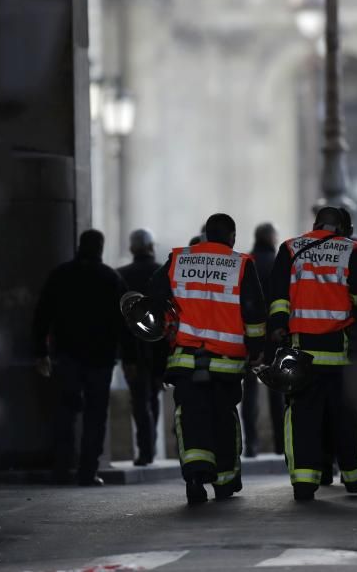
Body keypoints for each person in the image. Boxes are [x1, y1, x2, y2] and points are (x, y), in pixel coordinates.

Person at [147, 213, 267, 505]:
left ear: (205, 236)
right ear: (232, 236)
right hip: (225, 363)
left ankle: (195, 476)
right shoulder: (241, 264)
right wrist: (255, 349)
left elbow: (154, 297)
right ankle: (225, 483)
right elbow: (253, 311)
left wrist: (168, 332)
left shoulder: (179, 260)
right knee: (223, 419)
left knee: (190, 419)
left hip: (186, 361)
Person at [268, 206, 357, 502]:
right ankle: (354, 476)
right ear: (340, 228)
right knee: (347, 416)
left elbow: (278, 296)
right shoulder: (352, 249)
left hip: (302, 352)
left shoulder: (291, 248)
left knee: (302, 416)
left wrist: (278, 327)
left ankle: (304, 482)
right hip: (340, 351)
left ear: (315, 225)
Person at [33, 229, 128, 486]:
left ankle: (62, 469)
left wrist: (41, 352)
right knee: (96, 415)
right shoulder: (111, 278)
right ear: (100, 247)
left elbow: (42, 314)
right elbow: (124, 322)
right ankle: (88, 472)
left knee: (65, 412)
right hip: (101, 358)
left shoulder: (61, 275)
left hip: (67, 356)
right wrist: (124, 355)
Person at [118, 229, 169, 467]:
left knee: (139, 401)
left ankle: (146, 450)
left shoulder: (121, 276)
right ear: (151, 247)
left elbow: (119, 322)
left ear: (131, 249)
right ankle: (151, 446)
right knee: (153, 396)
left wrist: (125, 357)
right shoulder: (162, 273)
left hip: (133, 350)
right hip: (159, 347)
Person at [241, 222, 284, 458]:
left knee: (250, 391)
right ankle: (280, 444)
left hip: (248, 334)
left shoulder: (246, 261)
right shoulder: (278, 261)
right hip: (274, 335)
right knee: (277, 389)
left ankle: (252, 445)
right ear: (271, 238)